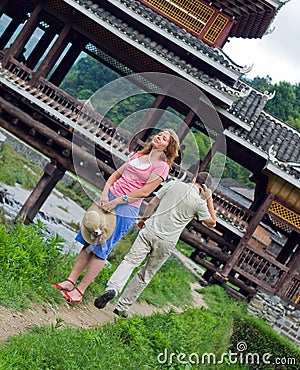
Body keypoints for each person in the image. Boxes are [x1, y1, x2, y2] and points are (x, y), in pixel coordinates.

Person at [53, 129, 180, 303]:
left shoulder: (162, 166)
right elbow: (116, 175)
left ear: (168, 147)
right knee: (90, 239)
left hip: (125, 208)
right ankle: (70, 281)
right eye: (159, 134)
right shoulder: (139, 155)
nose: (159, 136)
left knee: (102, 248)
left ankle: (80, 291)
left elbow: (144, 192)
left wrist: (117, 201)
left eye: (164, 138)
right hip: (109, 198)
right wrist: (105, 195)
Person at [94, 171, 216, 316]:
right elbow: (212, 223)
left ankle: (113, 288)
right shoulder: (199, 203)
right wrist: (209, 200)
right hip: (167, 242)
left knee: (130, 261)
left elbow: (152, 202)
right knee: (145, 274)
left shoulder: (173, 184)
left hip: (150, 230)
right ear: (205, 188)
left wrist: (144, 219)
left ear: (194, 178)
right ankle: (122, 307)